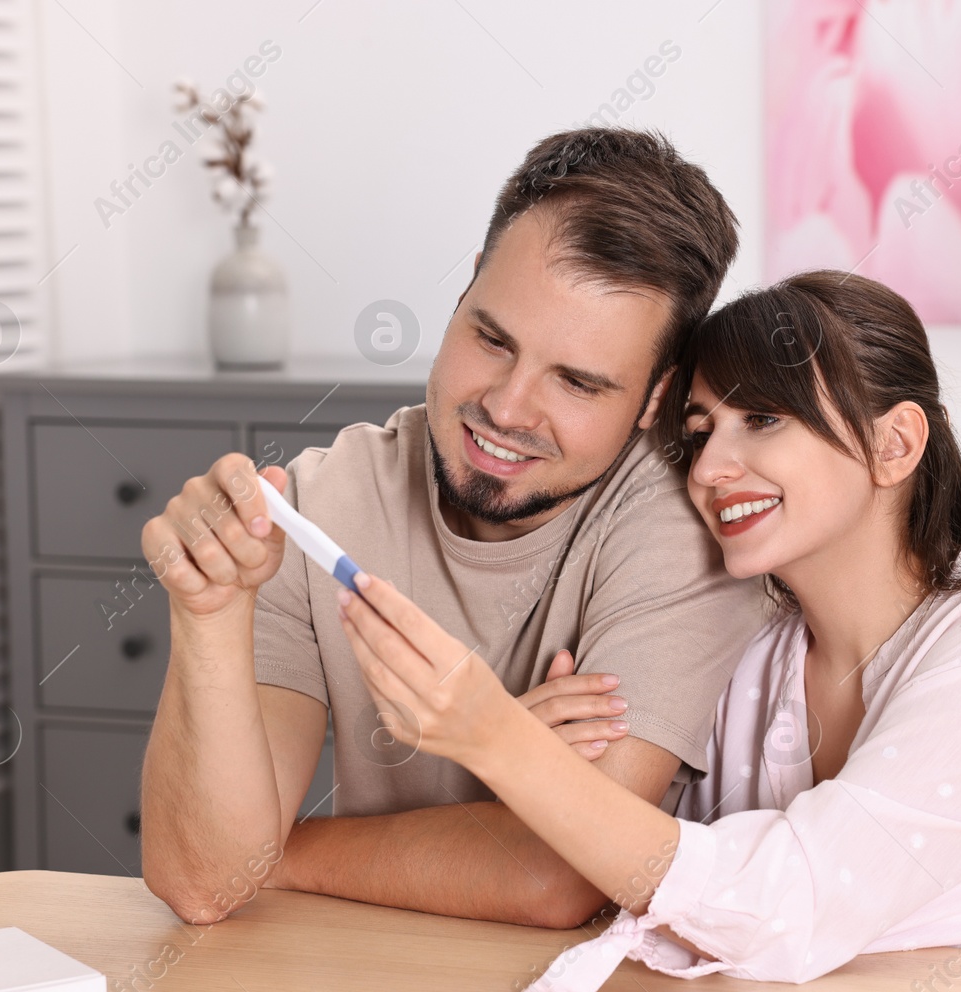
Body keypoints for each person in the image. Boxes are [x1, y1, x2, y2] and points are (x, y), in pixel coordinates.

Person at [329, 270, 961, 992]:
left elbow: (782, 900)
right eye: (702, 429)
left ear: (895, 443)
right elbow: (633, 852)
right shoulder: (758, 644)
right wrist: (550, 764)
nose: (715, 465)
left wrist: (496, 740)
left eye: (764, 418)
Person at [137, 128, 771, 929]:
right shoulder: (316, 503)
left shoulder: (687, 527)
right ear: (466, 288)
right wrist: (208, 617)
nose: (507, 408)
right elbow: (205, 881)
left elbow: (558, 877)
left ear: (656, 397)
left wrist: (282, 853)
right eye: (492, 338)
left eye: (576, 382)